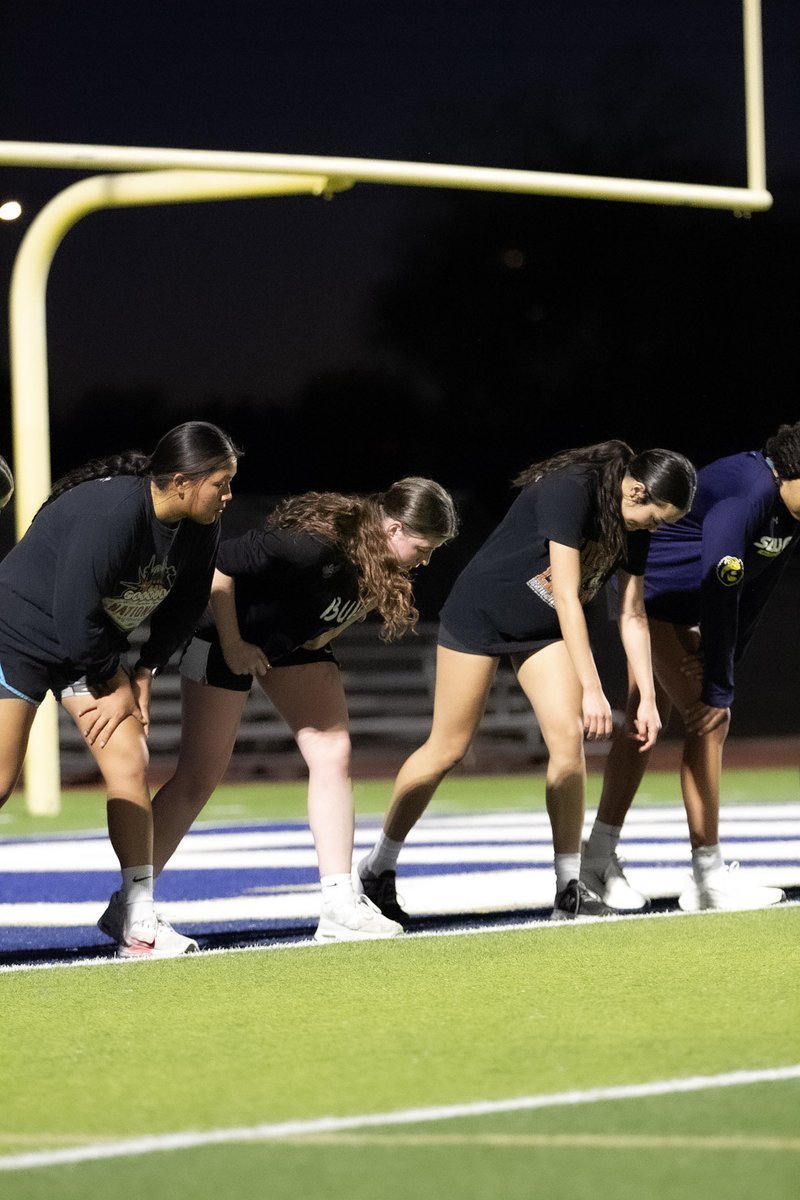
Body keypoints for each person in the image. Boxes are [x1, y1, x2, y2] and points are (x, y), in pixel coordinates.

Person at [98, 477, 459, 945]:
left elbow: (320, 623)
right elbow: (217, 567)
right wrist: (234, 645)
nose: (426, 561)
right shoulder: (312, 545)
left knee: (332, 752)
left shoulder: (376, 560)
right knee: (198, 777)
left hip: (287, 645)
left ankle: (339, 904)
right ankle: (130, 905)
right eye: (423, 548)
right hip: (221, 634)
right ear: (392, 529)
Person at [355, 441, 697, 924]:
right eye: (658, 518)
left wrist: (646, 697)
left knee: (568, 738)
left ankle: (569, 888)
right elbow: (567, 594)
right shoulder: (573, 488)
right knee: (448, 748)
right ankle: (377, 866)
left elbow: (633, 612)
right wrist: (593, 686)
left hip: (542, 629)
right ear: (637, 490)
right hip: (483, 613)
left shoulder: (635, 520)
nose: (656, 529)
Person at [0, 421, 241, 959]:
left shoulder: (200, 524)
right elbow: (73, 615)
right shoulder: (110, 514)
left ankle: (136, 916)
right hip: (17, 636)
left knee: (130, 761)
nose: (228, 495)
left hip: (87, 646)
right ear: (181, 481)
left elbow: (184, 608)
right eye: (220, 483)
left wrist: (145, 671)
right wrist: (115, 682)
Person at [582, 423, 800, 913]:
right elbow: (722, 584)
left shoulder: (789, 509)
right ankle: (707, 877)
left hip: (678, 608)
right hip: (651, 601)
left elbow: (757, 590)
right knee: (711, 719)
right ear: (792, 471)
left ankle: (596, 858)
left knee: (644, 725)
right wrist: (718, 680)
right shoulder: (750, 492)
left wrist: (727, 656)